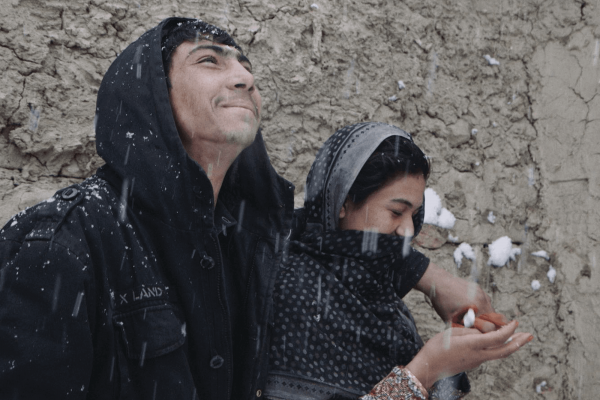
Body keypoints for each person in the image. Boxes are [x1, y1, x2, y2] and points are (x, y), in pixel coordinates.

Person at [0, 18, 294, 399]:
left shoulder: (254, 246)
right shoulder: (64, 239)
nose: (244, 79)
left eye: (247, 67)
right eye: (210, 61)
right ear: (153, 92)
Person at [264, 122, 532, 399]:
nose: (407, 230)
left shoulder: (373, 289)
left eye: (414, 214)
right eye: (396, 212)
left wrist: (450, 360)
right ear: (343, 203)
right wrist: (428, 368)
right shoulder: (296, 291)